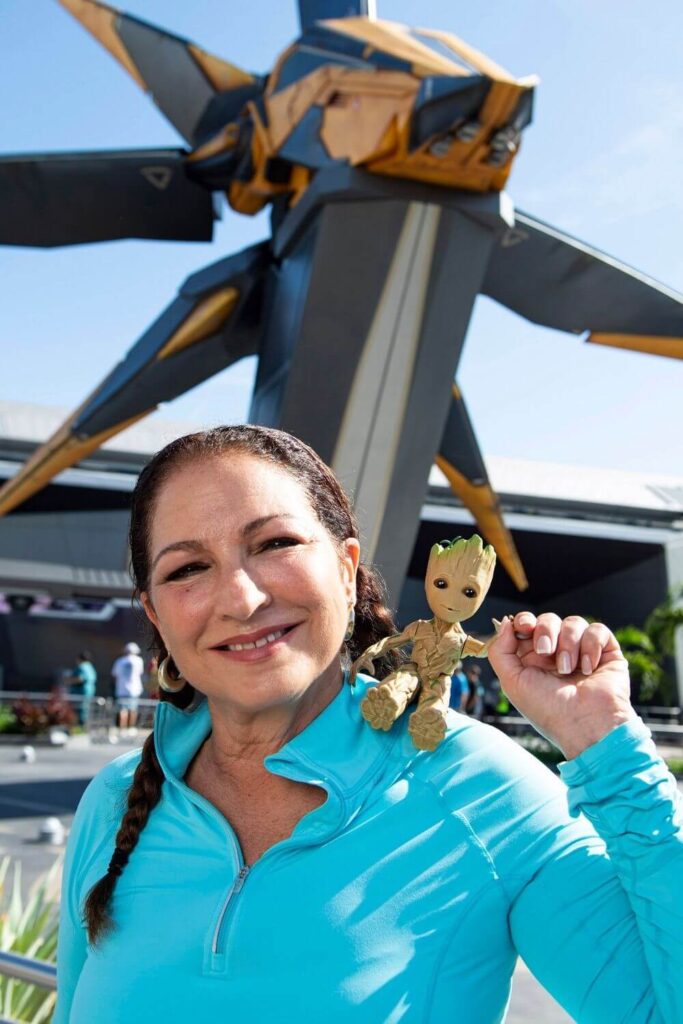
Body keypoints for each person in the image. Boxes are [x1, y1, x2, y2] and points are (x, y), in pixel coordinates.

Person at [54, 426, 683, 1024]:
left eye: (275, 544)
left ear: (348, 570)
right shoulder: (114, 801)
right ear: (156, 615)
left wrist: (612, 750)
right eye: (187, 569)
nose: (241, 599)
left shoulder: (483, 789)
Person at [110, 642, 144, 733]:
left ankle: (122, 728)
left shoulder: (119, 661)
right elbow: (140, 673)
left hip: (121, 689)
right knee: (133, 710)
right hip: (134, 689)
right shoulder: (139, 661)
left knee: (122, 710)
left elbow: (114, 675)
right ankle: (131, 728)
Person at [66, 651, 97, 727]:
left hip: (81, 692)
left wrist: (69, 680)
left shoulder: (82, 667)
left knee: (81, 711)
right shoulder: (90, 667)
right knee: (86, 709)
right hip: (89, 691)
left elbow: (80, 679)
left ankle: (81, 726)